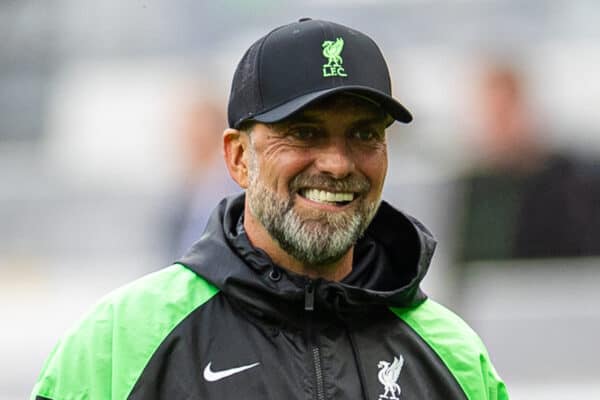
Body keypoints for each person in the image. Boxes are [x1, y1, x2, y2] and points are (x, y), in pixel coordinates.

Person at [32, 18, 508, 400]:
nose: (338, 164)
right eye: (304, 133)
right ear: (239, 158)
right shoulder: (118, 345)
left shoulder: (453, 355)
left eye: (364, 134)